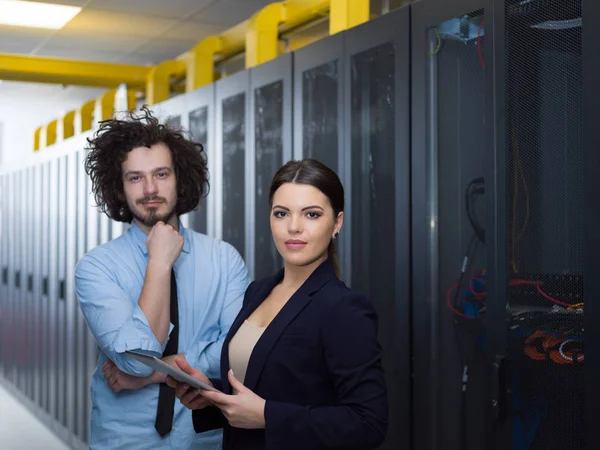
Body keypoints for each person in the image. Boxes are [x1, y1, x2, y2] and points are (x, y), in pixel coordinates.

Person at [166, 159, 388, 450]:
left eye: (311, 214)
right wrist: (211, 395)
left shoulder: (344, 308)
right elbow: (271, 385)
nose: (293, 227)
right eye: (281, 213)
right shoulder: (258, 291)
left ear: (337, 222)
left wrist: (267, 416)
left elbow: (368, 424)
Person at [75, 108, 249, 450]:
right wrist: (159, 261)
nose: (150, 188)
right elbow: (132, 359)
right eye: (135, 177)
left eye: (161, 174)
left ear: (180, 179)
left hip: (206, 439)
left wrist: (158, 371)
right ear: (119, 187)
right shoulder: (97, 267)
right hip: (126, 441)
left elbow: (238, 354)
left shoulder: (224, 259)